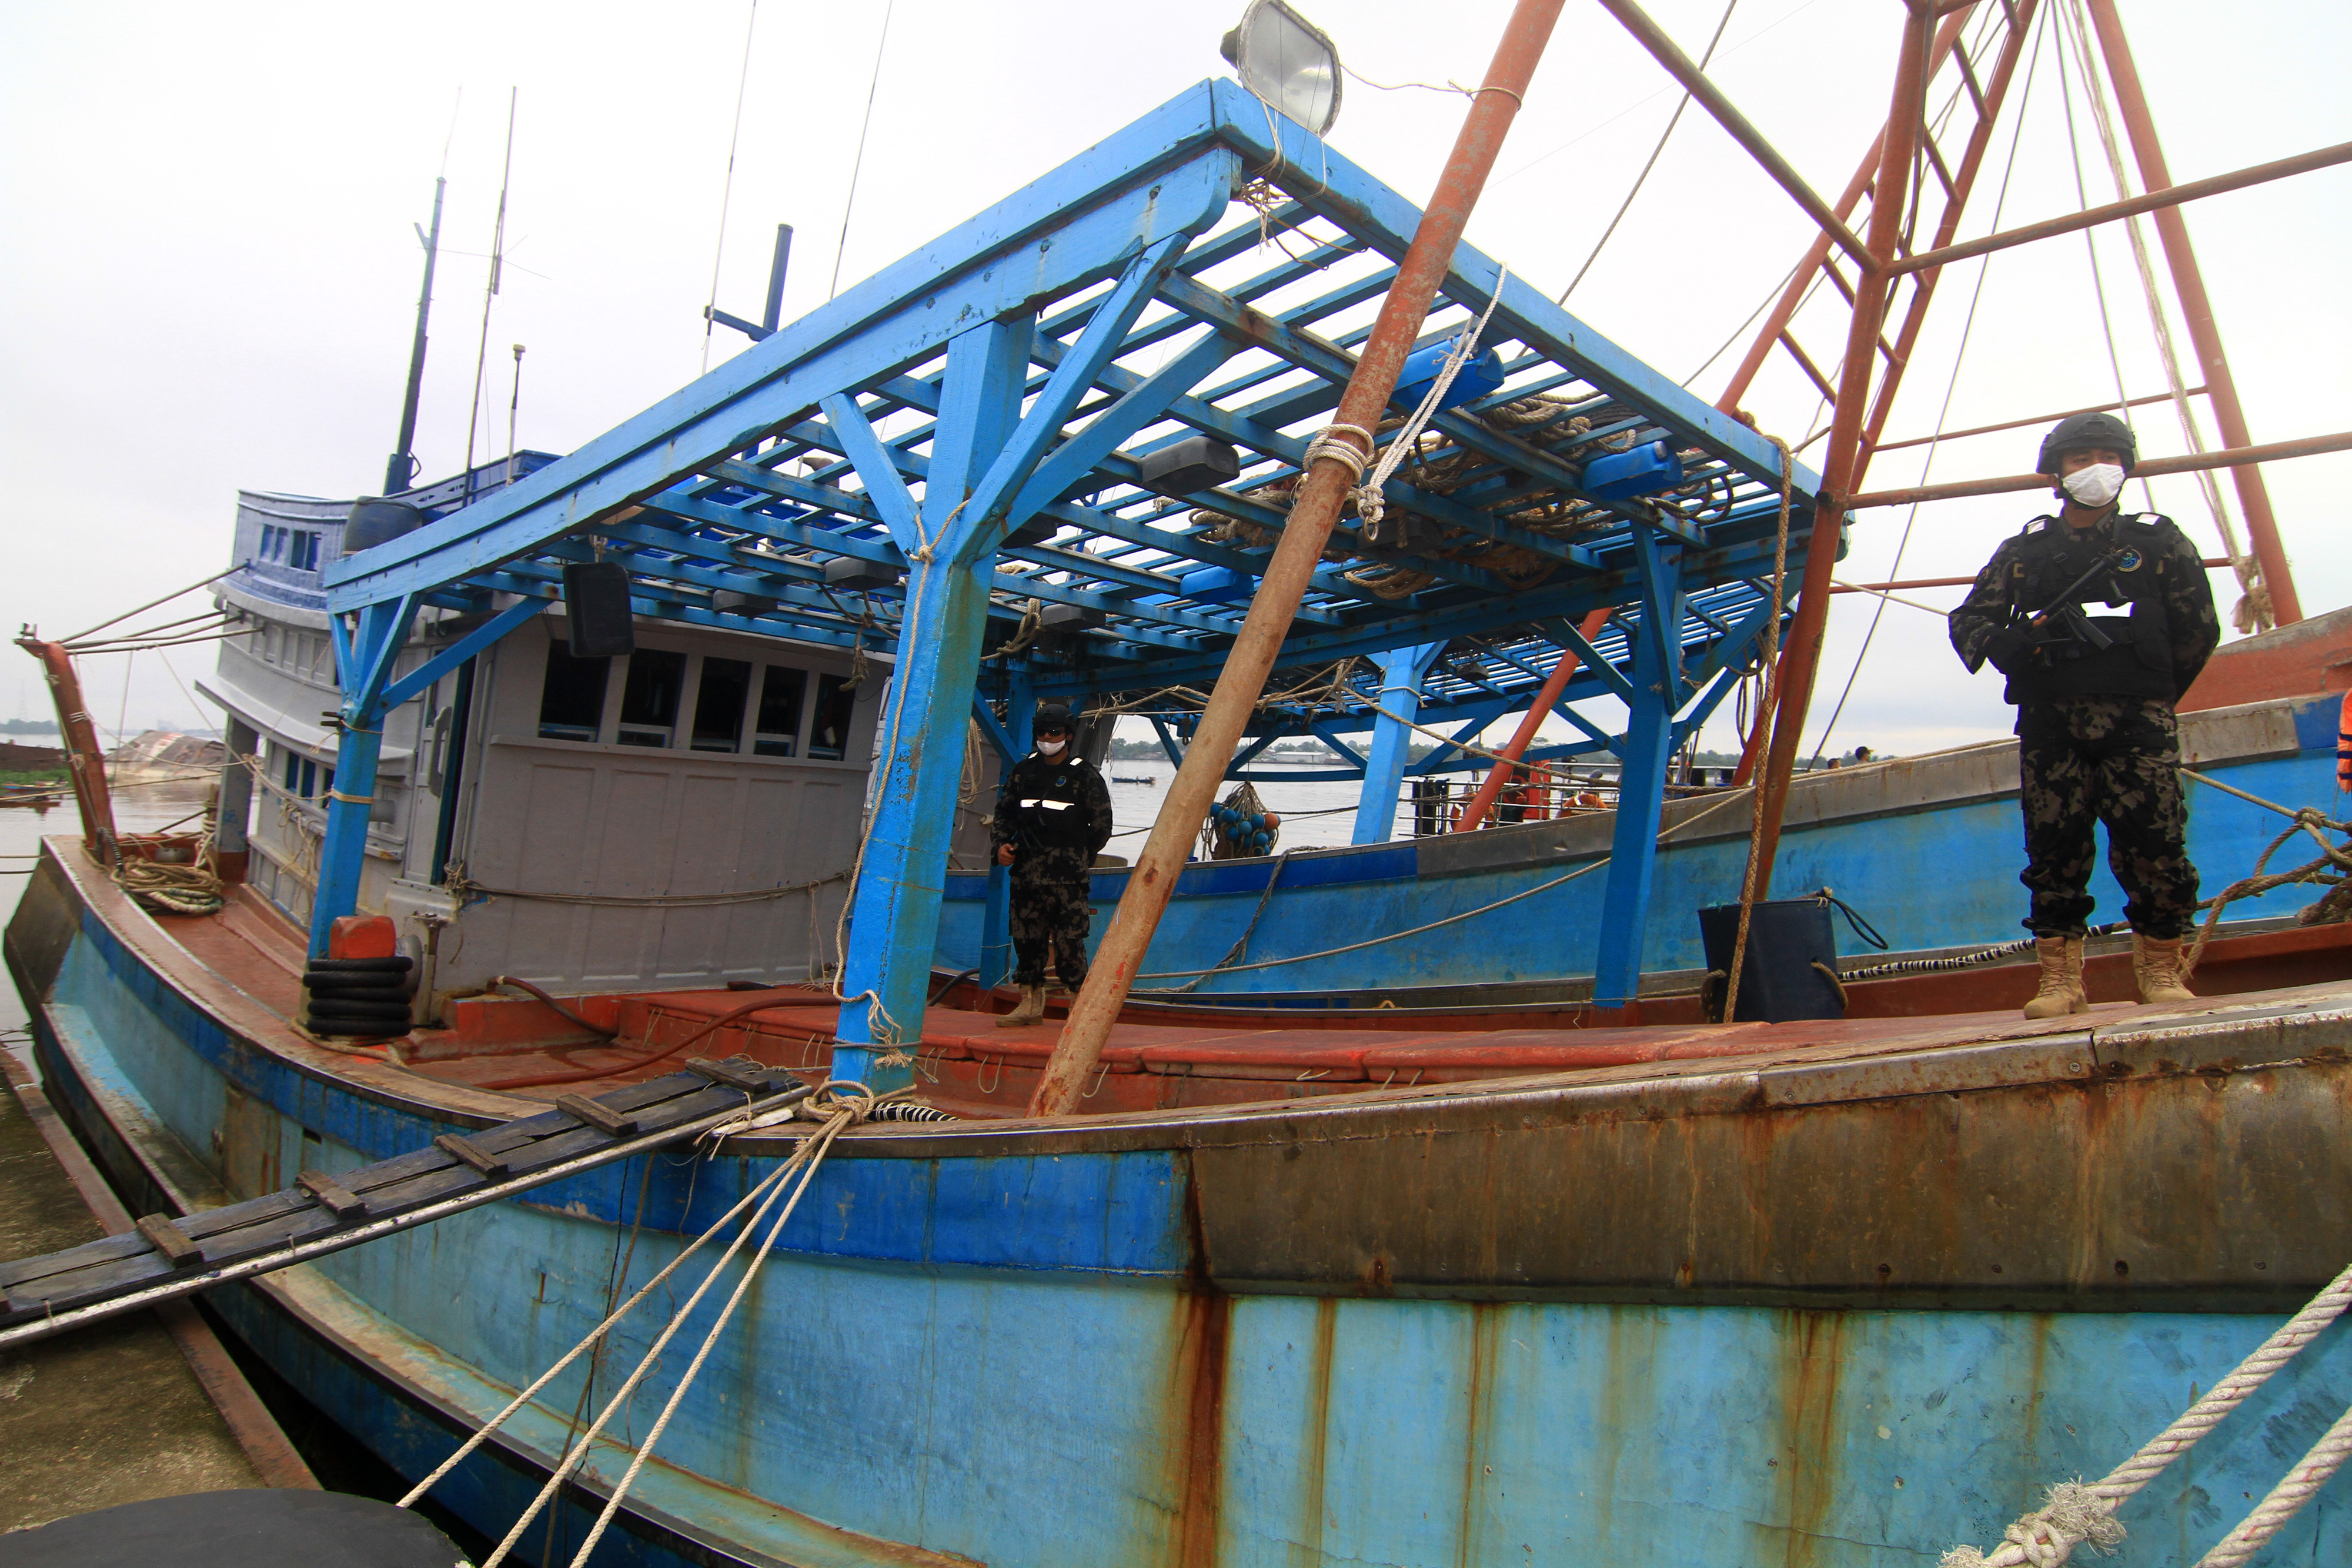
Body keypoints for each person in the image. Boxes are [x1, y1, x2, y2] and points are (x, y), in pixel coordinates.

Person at [1949, 410, 2220, 1019]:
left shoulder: (2159, 543)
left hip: (2137, 722)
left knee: (2157, 845)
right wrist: (2003, 644)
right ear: (2055, 472)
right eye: (2080, 458)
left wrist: (2150, 692)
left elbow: (2197, 628)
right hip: (2052, 725)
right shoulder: (2025, 552)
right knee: (2053, 850)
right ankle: (2059, 982)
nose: (2096, 468)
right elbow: (1969, 619)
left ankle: (2159, 972)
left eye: (2108, 456)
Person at [990, 703, 1113, 1027]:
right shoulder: (1022, 772)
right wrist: (1000, 848)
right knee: (1026, 939)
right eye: (1042, 732)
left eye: (1054, 732)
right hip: (1026, 875)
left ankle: (1078, 1009)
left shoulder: (1084, 775)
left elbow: (1101, 826)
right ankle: (1030, 1005)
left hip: (1067, 879)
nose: (1047, 737)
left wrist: (1078, 859)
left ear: (1068, 735)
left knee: (1069, 942)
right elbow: (1004, 815)